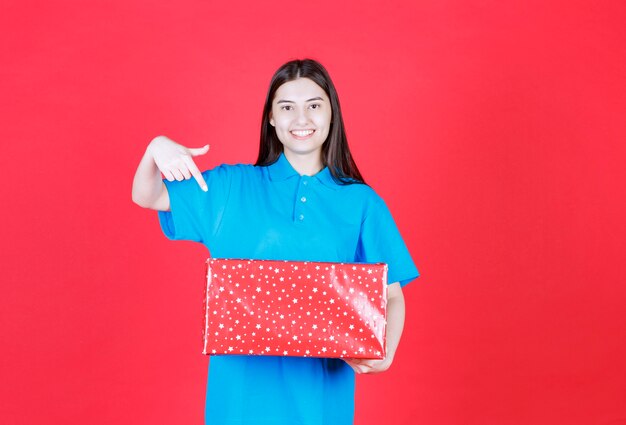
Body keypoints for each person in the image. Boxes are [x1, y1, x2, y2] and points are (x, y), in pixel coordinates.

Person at [132, 59, 419, 425]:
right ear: (271, 118)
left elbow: (392, 292)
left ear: (332, 114)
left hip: (321, 403)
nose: (301, 119)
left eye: (314, 105)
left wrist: (387, 350)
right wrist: (155, 148)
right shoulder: (231, 187)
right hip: (237, 402)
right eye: (287, 107)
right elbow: (148, 196)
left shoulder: (361, 202)